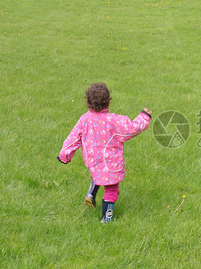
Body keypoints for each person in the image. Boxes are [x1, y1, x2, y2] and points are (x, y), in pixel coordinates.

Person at [57, 82, 152, 223]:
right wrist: (144, 117)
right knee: (111, 189)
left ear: (87, 102)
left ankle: (91, 193)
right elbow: (132, 129)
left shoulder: (85, 119)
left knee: (98, 174)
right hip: (111, 163)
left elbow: (73, 138)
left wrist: (64, 155)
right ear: (108, 101)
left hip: (93, 160)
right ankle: (106, 219)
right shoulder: (113, 120)